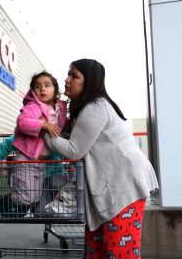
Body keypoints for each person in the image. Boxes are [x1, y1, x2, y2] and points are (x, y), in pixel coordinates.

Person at [43, 59, 159, 258]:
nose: (67, 79)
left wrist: (43, 131)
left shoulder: (96, 107)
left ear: (89, 82)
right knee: (95, 250)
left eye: (74, 76)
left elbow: (74, 150)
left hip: (124, 185)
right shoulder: (85, 110)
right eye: (68, 74)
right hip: (110, 186)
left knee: (119, 252)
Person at [9, 71, 68, 210]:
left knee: (34, 196)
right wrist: (43, 124)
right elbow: (22, 122)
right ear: (33, 91)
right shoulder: (33, 107)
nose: (42, 88)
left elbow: (62, 124)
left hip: (40, 163)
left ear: (55, 90)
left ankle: (12, 206)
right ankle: (5, 205)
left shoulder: (59, 109)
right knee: (26, 197)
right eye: (37, 86)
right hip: (26, 159)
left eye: (47, 85)